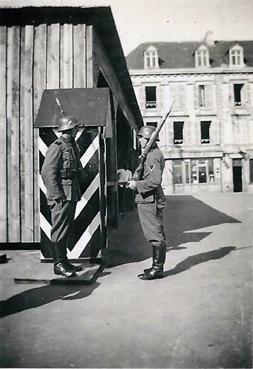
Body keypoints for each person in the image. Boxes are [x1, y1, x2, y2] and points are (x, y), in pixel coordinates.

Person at [41, 115, 84, 277]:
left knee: (65, 228)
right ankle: (58, 264)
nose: (77, 131)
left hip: (71, 193)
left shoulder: (71, 146)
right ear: (70, 129)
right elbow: (47, 173)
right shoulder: (57, 147)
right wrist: (56, 195)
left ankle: (64, 261)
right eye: (75, 128)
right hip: (61, 195)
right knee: (59, 229)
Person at [128, 126, 167, 280]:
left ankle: (157, 269)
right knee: (154, 232)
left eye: (141, 138)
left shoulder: (152, 156)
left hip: (149, 199)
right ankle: (156, 267)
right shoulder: (149, 154)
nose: (138, 140)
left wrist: (136, 185)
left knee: (154, 234)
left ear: (148, 139)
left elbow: (155, 180)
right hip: (148, 198)